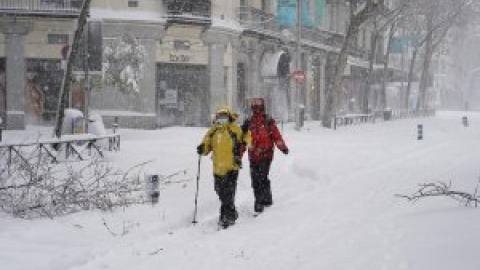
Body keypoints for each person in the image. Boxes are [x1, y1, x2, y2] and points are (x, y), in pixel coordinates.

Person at [197, 106, 250, 228]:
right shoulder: (213, 131)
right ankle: (232, 212)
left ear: (229, 116)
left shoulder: (234, 129)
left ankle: (227, 217)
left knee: (228, 193)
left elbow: (246, 138)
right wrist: (202, 148)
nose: (222, 118)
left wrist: (246, 134)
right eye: (220, 116)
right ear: (216, 117)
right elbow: (206, 146)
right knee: (220, 191)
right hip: (217, 169)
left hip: (232, 167)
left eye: (224, 116)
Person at [242, 98, 289, 214]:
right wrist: (238, 154)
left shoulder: (268, 121)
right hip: (253, 155)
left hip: (266, 155)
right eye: (254, 106)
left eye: (258, 105)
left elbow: (276, 136)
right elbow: (242, 140)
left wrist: (282, 147)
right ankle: (266, 198)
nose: (256, 108)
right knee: (255, 179)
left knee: (261, 177)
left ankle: (259, 202)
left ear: (263, 107)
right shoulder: (248, 122)